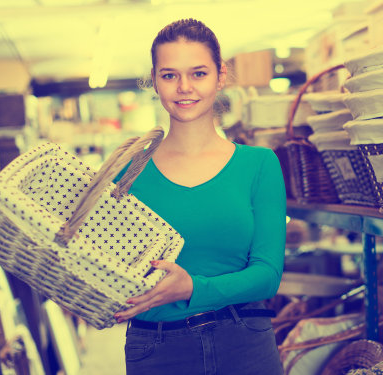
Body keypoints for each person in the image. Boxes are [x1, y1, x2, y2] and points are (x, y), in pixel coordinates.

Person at [112, 18, 287, 375]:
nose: (184, 88)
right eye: (170, 75)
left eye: (198, 73)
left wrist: (192, 287)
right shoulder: (127, 172)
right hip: (157, 349)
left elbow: (268, 275)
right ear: (154, 80)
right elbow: (109, 266)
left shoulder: (259, 165)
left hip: (245, 344)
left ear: (220, 76)